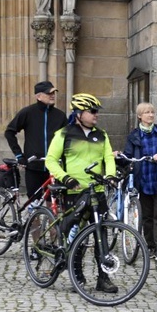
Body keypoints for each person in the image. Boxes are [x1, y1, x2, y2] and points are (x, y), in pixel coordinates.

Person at [45, 93, 118, 293]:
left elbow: (108, 158)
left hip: (97, 190)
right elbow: (50, 160)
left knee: (100, 234)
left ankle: (104, 278)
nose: (96, 115)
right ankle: (77, 276)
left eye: (96, 112)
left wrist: (110, 175)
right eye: (92, 111)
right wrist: (65, 177)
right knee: (76, 234)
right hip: (74, 191)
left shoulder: (101, 134)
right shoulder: (63, 134)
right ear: (79, 113)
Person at [120, 102, 157, 255]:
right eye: (147, 112)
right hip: (143, 180)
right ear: (140, 116)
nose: (151, 115)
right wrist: (119, 157)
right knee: (147, 217)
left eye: (152, 112)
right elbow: (128, 157)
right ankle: (151, 246)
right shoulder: (134, 136)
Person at [5, 80, 67, 199]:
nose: (53, 95)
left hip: (54, 167)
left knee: (53, 200)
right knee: (33, 201)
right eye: (49, 93)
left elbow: (67, 139)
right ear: (38, 96)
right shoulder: (28, 112)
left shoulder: (60, 116)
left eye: (54, 93)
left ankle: (50, 217)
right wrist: (19, 155)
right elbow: (9, 132)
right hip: (34, 166)